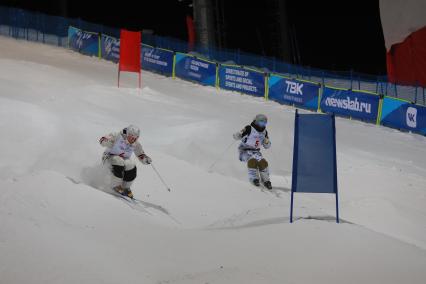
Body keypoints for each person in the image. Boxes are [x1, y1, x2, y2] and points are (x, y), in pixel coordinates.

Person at [99, 125, 152, 198]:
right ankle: (115, 185)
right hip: (109, 157)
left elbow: (140, 154)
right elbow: (102, 140)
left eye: (135, 138)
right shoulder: (117, 136)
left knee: (131, 165)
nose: (133, 139)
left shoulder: (136, 143)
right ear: (127, 134)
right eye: (131, 136)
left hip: (123, 160)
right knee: (118, 161)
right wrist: (107, 142)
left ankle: (125, 187)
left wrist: (145, 159)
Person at [233, 114, 272, 189]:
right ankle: (254, 179)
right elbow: (237, 136)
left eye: (264, 122)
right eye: (261, 122)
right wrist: (238, 134)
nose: (263, 124)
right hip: (244, 150)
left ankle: (266, 180)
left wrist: (267, 142)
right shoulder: (249, 128)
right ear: (256, 121)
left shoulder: (264, 132)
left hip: (256, 152)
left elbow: (267, 146)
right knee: (252, 161)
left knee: (263, 163)